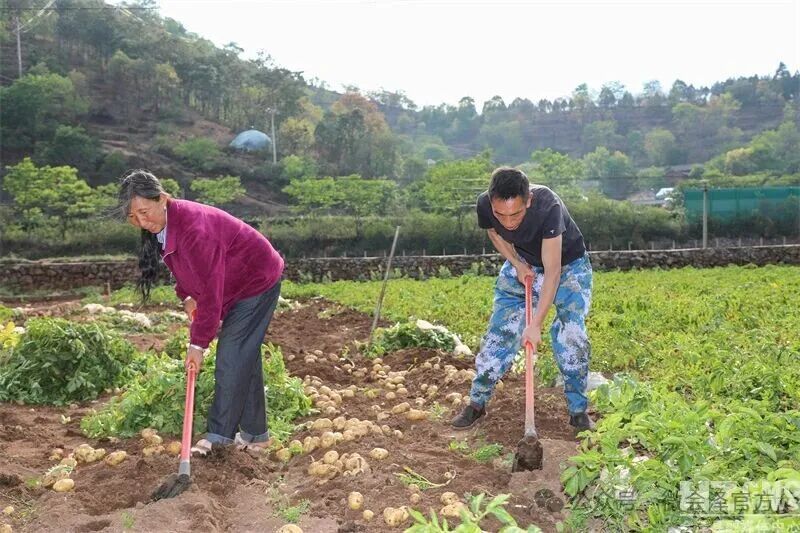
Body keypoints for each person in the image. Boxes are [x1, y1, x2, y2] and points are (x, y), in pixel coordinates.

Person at [118, 169, 284, 455]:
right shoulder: (166, 229)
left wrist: (197, 345)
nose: (143, 222)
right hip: (235, 286)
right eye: (135, 218)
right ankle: (257, 436)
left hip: (256, 280)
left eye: (146, 212)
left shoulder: (194, 229)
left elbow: (210, 290)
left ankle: (220, 437)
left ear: (163, 199)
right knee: (242, 356)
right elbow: (186, 271)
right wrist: (185, 297)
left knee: (231, 355)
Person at [451, 167, 595, 432]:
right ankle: (476, 403)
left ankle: (578, 411)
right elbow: (494, 233)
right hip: (524, 261)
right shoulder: (485, 204)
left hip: (566, 267)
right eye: (500, 214)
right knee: (500, 331)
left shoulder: (547, 206)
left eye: (515, 213)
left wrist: (535, 324)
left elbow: (552, 272)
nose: (508, 222)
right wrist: (516, 263)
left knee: (571, 333)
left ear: (528, 200)